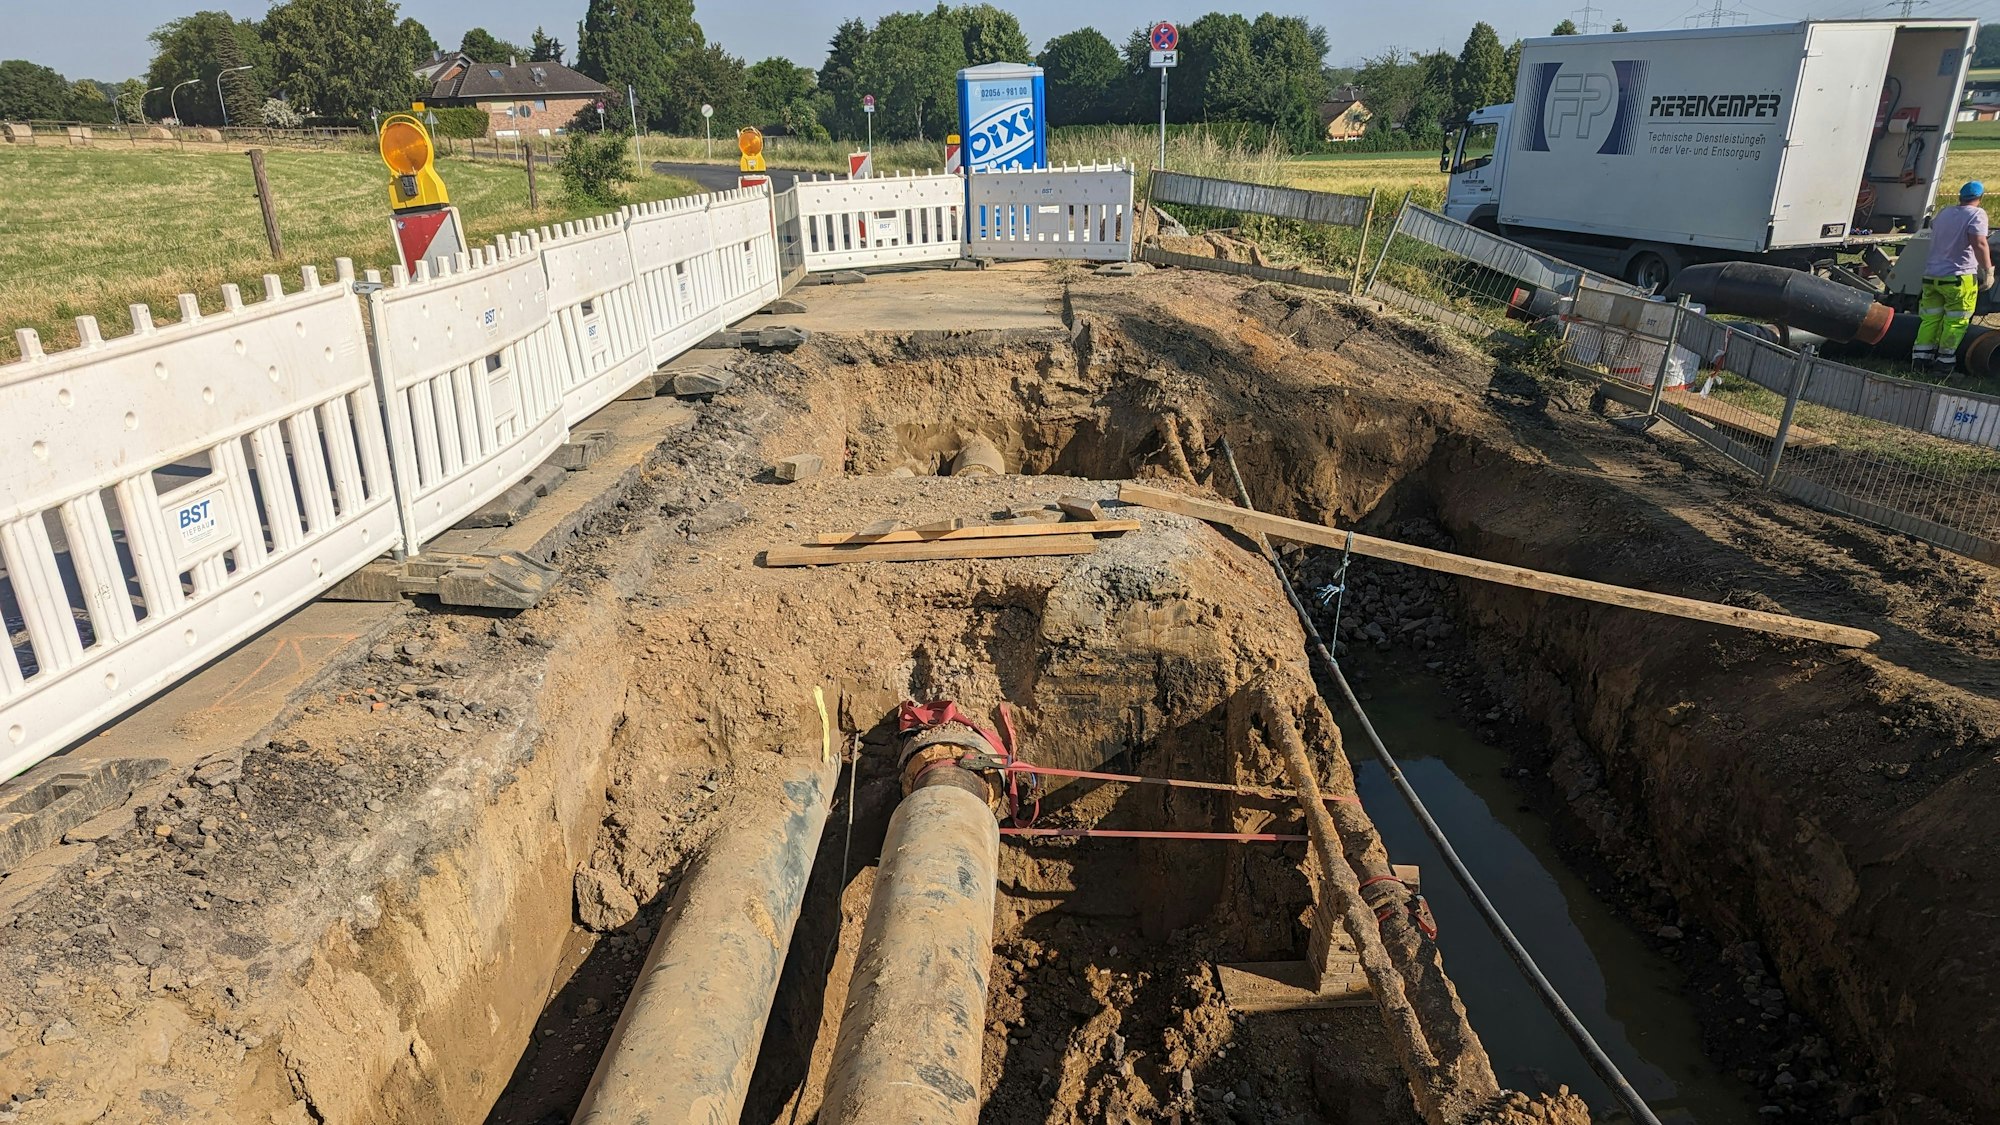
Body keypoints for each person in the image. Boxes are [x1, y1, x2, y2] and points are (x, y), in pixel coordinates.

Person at [1913, 181, 1994, 374]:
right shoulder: (1977, 214)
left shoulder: (1944, 213)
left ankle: (1920, 362)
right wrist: (1988, 270)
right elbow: (1980, 243)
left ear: (1960, 197)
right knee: (1956, 321)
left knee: (1930, 319)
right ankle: (1944, 364)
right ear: (1980, 198)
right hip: (1958, 279)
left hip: (1932, 277)